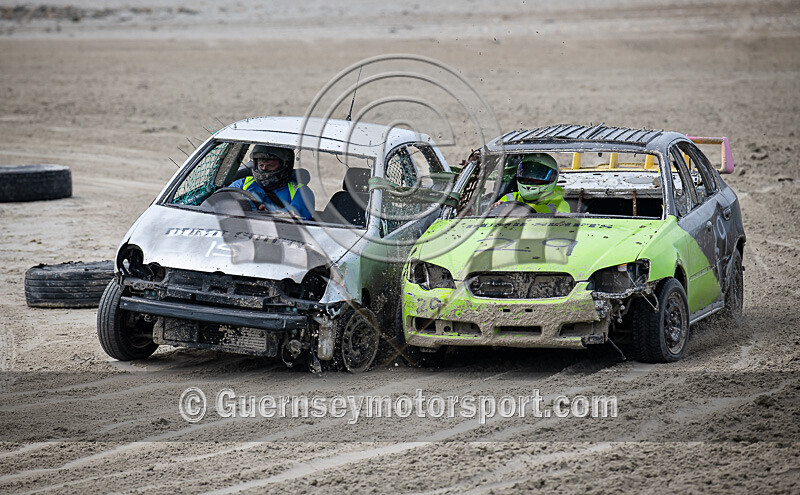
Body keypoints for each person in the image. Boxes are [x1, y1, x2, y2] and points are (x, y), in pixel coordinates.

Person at [230, 145, 315, 220]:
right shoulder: (243, 183)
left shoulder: (301, 191)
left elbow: (297, 218)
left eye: (270, 165)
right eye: (261, 165)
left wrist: (268, 215)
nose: (264, 169)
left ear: (284, 165)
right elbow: (224, 201)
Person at [496, 153, 569, 213]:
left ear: (552, 177)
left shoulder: (560, 203)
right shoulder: (509, 197)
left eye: (537, 176)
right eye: (526, 176)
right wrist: (495, 207)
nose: (530, 180)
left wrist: (516, 209)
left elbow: (547, 211)